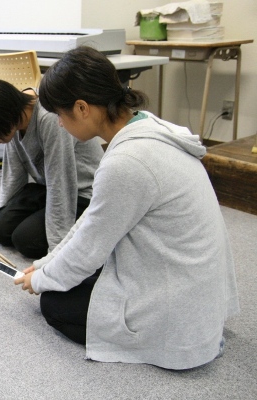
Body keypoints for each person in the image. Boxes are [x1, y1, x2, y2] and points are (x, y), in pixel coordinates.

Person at [15, 46, 239, 370]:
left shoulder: (126, 162)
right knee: (72, 277)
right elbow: (92, 221)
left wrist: (40, 281)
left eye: (60, 115)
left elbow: (89, 249)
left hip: (177, 305)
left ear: (82, 108)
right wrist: (46, 265)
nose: (60, 125)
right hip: (193, 284)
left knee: (55, 303)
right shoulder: (146, 126)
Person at [0, 78, 104, 259]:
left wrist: (56, 251)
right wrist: (0, 214)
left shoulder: (50, 118)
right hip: (46, 188)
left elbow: (61, 184)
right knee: (1, 230)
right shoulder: (13, 116)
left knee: (26, 240)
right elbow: (13, 173)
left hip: (82, 192)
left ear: (2, 116)